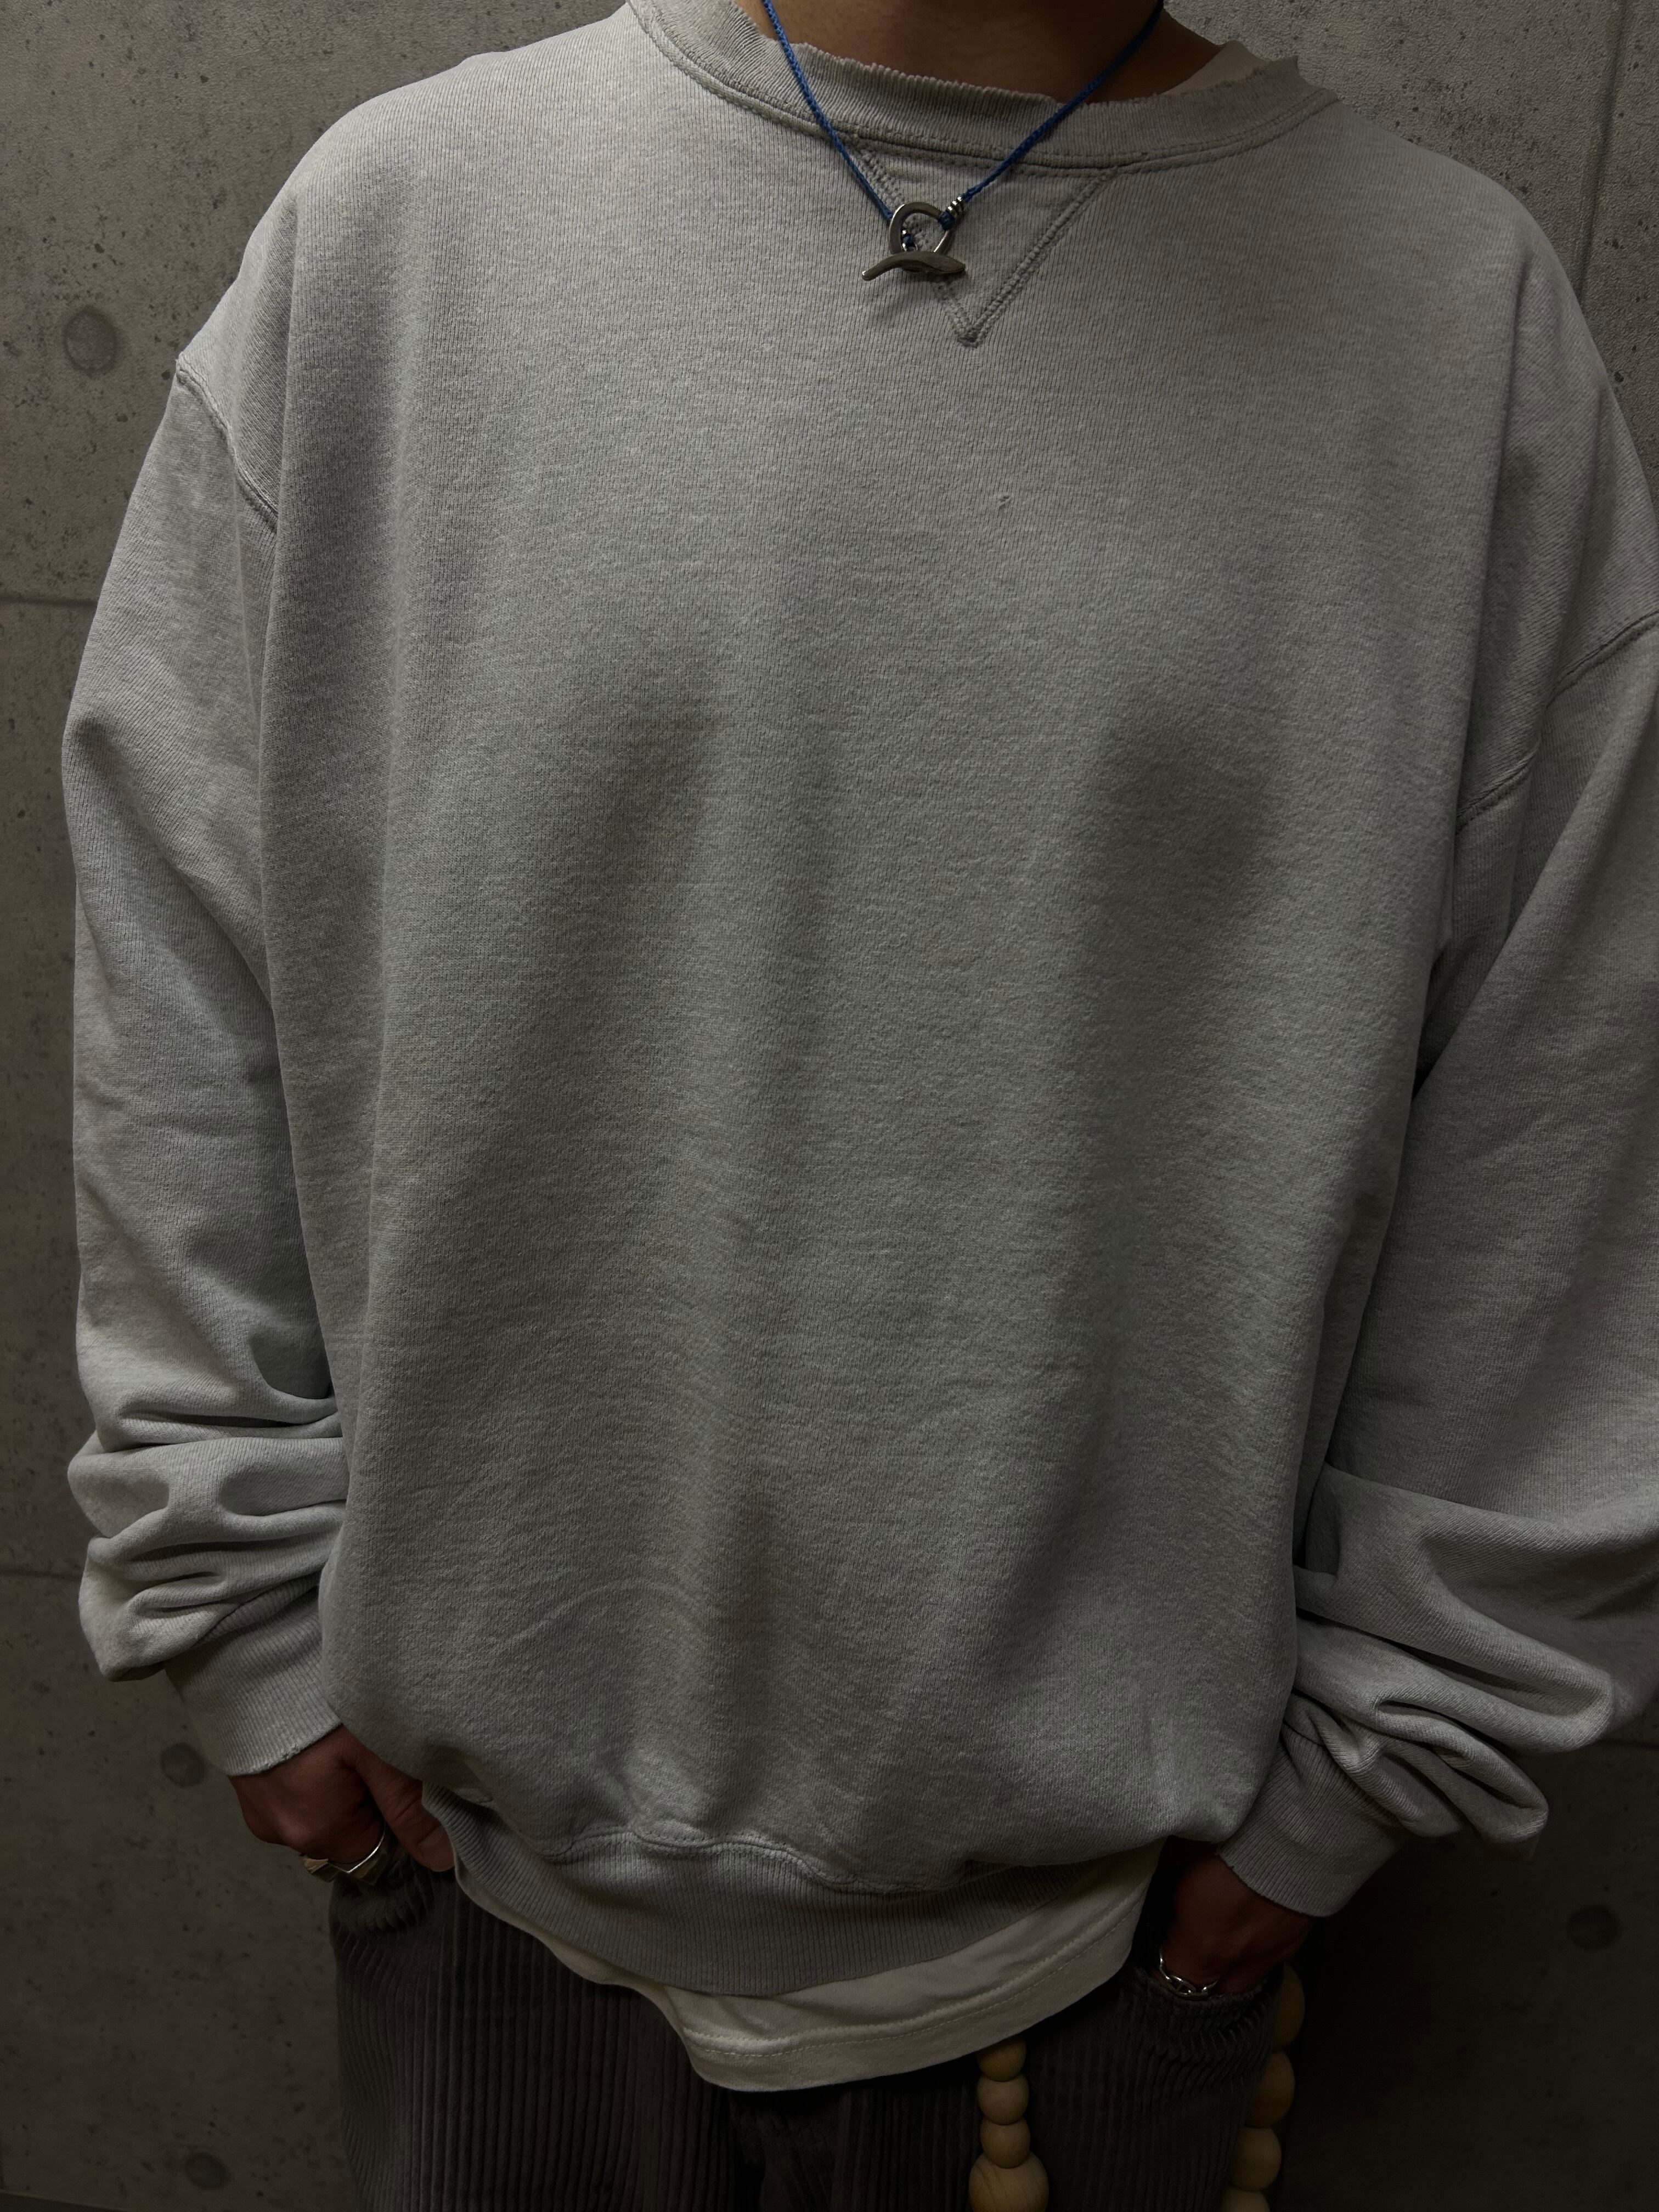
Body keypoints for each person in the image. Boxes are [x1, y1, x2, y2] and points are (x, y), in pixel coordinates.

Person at [59, 0, 1659, 2203]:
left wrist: (1369, 1776)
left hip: (1112, 1958)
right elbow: (187, 970)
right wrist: (241, 1618)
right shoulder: (402, 232)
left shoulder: (1454, 315)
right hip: (476, 1892)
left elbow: (1560, 1108)